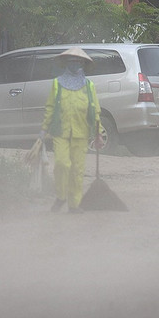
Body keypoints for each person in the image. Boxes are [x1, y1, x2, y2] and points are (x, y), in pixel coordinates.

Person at [40, 47, 104, 214]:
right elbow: (50, 107)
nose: (75, 64)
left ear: (82, 64)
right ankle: (61, 196)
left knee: (77, 170)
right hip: (60, 132)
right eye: (71, 62)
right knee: (61, 164)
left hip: (81, 134)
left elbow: (95, 110)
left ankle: (74, 205)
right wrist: (43, 129)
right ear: (66, 64)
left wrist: (99, 134)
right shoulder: (56, 83)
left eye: (78, 62)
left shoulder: (89, 86)